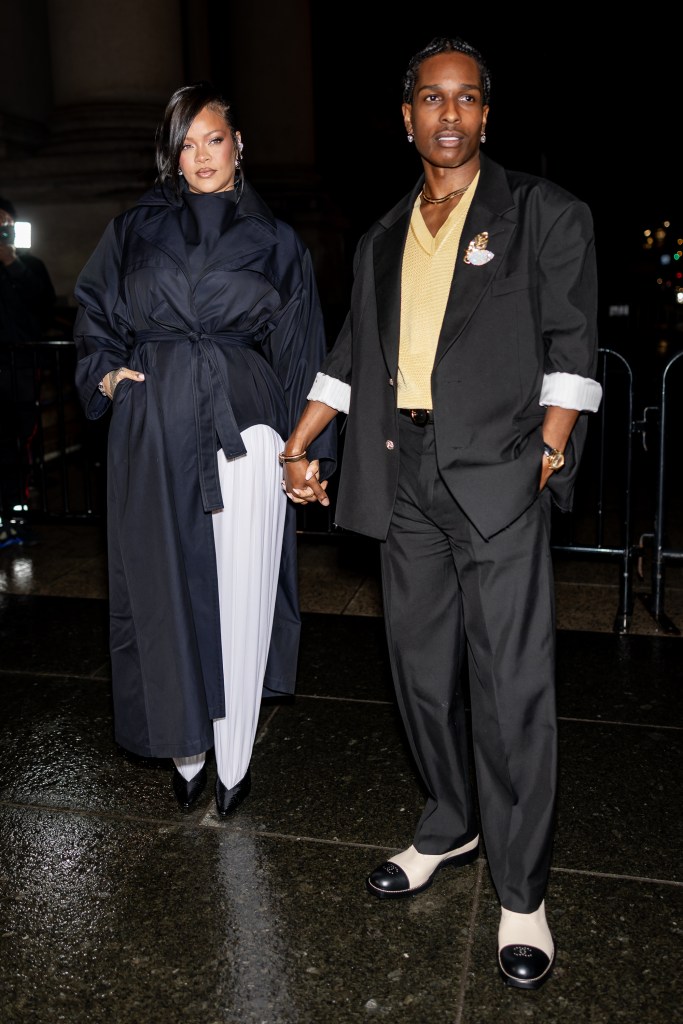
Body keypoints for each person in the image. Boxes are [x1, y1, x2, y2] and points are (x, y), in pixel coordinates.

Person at [280, 37, 602, 990]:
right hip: (401, 475)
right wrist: (301, 446)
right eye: (432, 97)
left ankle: (521, 889)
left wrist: (543, 455)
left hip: (500, 475)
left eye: (466, 99)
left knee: (509, 690)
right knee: (419, 675)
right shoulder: (382, 236)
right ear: (408, 115)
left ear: (485, 116)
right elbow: (347, 357)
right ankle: (449, 823)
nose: (449, 114)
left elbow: (574, 348)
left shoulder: (544, 213)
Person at [72, 82, 336, 817]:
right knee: (162, 593)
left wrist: (305, 454)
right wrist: (107, 376)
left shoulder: (279, 240)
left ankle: (234, 757)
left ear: (238, 144)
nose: (200, 157)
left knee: (241, 591)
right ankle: (185, 751)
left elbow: (303, 352)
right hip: (154, 430)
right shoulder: (130, 229)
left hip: (245, 430)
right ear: (172, 154)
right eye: (186, 144)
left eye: (212, 139)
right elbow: (93, 315)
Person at [0, 196, 56, 547]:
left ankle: (16, 517)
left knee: (17, 444)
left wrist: (11, 263)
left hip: (19, 371)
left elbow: (43, 308)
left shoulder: (30, 266)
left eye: (4, 225)